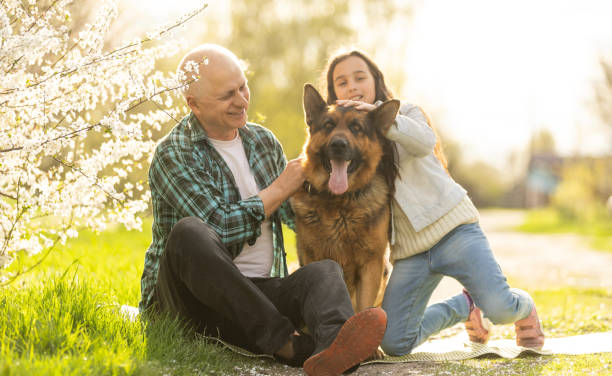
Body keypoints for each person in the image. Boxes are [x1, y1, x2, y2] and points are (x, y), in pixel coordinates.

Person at [138, 44, 387, 375]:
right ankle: (286, 342)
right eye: (227, 95)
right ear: (194, 104)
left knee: (323, 272)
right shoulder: (175, 153)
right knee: (189, 233)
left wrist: (337, 193)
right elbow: (221, 229)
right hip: (190, 304)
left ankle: (334, 349)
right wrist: (282, 186)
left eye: (242, 86)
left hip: (260, 292)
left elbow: (294, 215)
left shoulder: (262, 142)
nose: (241, 100)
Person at [324, 49, 545, 356]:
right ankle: (464, 305)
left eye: (360, 77)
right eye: (342, 82)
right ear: (333, 93)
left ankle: (523, 305)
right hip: (411, 254)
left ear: (375, 81)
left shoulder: (407, 113)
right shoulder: (344, 143)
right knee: (393, 342)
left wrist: (379, 117)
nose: (352, 86)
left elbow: (425, 141)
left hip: (455, 233)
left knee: (501, 309)